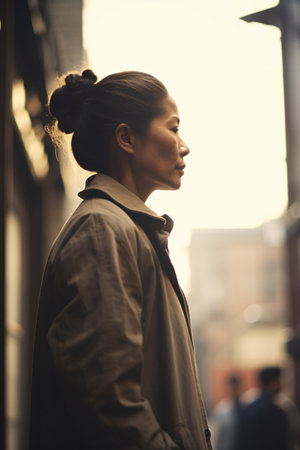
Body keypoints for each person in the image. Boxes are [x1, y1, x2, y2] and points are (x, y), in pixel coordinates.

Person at [29, 69, 213, 450]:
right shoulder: (102, 230)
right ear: (127, 138)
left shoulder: (126, 229)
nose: (184, 145)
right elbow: (108, 403)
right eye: (174, 128)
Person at [238, 366, 289, 450]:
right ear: (272, 383)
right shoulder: (276, 413)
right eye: (278, 381)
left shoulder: (247, 409)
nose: (281, 384)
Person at [213, 374, 244, 450]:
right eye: (232, 388)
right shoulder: (221, 410)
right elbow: (218, 437)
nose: (234, 391)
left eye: (236, 387)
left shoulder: (246, 407)